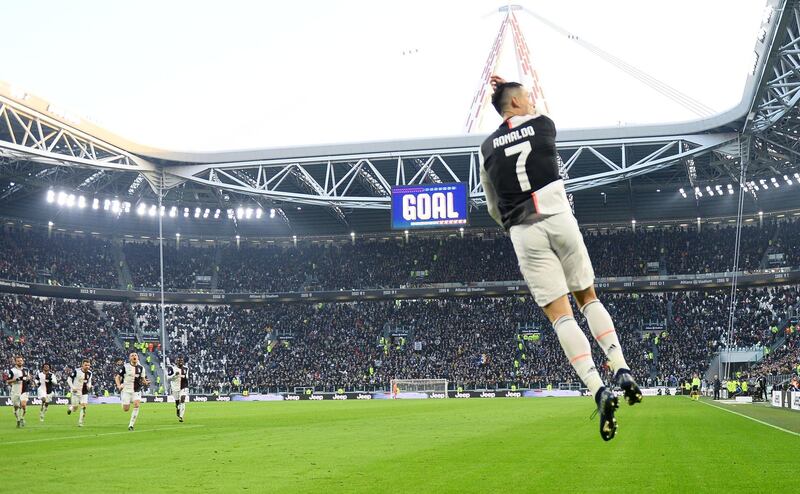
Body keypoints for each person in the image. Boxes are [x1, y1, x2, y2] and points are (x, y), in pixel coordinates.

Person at [479, 76, 642, 441]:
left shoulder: (486, 148)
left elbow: (492, 206)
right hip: (558, 215)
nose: (533, 101)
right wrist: (512, 90)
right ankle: (620, 366)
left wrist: (513, 224)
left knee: (560, 316)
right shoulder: (544, 125)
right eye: (528, 97)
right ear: (517, 104)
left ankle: (599, 390)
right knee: (587, 297)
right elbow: (534, 119)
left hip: (523, 229)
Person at [115, 352, 149, 431]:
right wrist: (119, 385)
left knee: (137, 404)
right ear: (130, 358)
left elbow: (143, 379)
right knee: (126, 409)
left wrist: (146, 382)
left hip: (136, 390)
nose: (134, 356)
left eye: (135, 355)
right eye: (132, 355)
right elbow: (117, 377)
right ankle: (123, 400)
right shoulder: (125, 367)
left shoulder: (141, 368)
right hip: (126, 390)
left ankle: (131, 425)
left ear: (138, 357)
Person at [4, 355, 32, 428]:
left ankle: (22, 418)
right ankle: (18, 419)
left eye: (21, 360)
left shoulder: (26, 370)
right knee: (16, 407)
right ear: (15, 362)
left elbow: (29, 378)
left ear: (23, 361)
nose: (20, 362)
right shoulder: (12, 370)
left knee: (23, 405)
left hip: (24, 390)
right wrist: (17, 379)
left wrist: (28, 379)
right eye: (18, 361)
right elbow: (8, 381)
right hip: (15, 390)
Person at [67, 359, 93, 427]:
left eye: (88, 365)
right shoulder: (76, 371)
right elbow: (69, 380)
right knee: (75, 408)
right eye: (86, 365)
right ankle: (70, 408)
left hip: (84, 392)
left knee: (84, 406)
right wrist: (73, 387)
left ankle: (80, 422)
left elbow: (89, 381)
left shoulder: (90, 373)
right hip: (76, 392)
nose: (87, 366)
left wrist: (89, 386)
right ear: (82, 365)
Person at [167, 357, 189, 423]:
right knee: (177, 402)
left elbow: (187, 377)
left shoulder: (186, 368)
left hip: (183, 386)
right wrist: (174, 375)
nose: (180, 362)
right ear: (176, 361)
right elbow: (168, 378)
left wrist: (182, 376)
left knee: (182, 399)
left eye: (181, 360)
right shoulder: (172, 368)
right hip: (175, 387)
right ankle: (178, 408)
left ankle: (181, 416)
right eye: (179, 360)